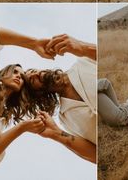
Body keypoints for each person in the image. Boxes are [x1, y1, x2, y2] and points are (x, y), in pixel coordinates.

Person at [0, 15, 56, 179]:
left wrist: (23, 128)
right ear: (3, 72)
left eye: (22, 76)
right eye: (14, 71)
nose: (18, 76)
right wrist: (34, 43)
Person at [25, 34, 97, 163]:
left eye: (34, 70)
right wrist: (56, 134)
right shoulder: (65, 119)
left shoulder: (84, 61)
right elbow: (95, 155)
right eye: (32, 79)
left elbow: (121, 57)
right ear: (37, 93)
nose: (36, 73)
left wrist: (83, 47)